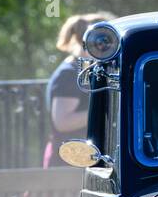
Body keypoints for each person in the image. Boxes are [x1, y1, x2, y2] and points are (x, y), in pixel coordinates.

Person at [44, 12, 114, 168]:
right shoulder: (69, 74)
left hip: (77, 158)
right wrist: (104, 111)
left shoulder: (84, 68)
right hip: (66, 163)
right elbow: (63, 121)